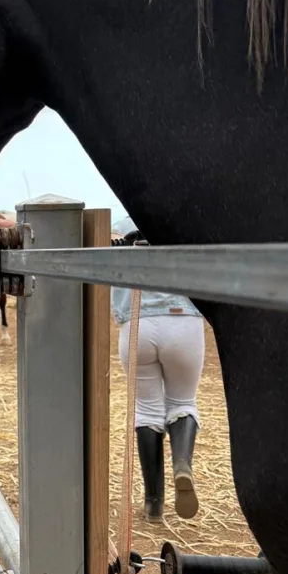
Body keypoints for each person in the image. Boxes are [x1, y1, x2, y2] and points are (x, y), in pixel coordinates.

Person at [111, 217, 204, 522]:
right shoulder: (182, 225)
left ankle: (153, 503)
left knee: (146, 410)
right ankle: (182, 465)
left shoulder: (121, 226)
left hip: (136, 322)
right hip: (183, 320)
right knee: (183, 402)